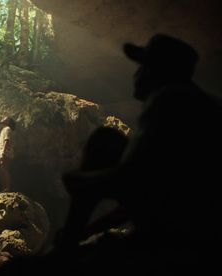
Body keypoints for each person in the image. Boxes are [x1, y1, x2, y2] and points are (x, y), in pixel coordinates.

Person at [60, 34, 222, 252]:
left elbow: (132, 178)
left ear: (156, 70)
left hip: (191, 229)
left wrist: (79, 180)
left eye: (142, 66)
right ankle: (69, 242)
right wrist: (90, 230)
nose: (136, 73)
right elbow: (157, 184)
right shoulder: (197, 99)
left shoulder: (168, 98)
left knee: (104, 141)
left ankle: (63, 248)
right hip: (198, 216)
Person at [0, 117, 16, 192]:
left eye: (5, 118)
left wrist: (3, 153)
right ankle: (4, 188)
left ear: (8, 122)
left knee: (4, 170)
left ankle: (7, 188)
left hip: (5, 153)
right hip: (3, 153)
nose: (2, 118)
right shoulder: (4, 129)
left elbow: (7, 141)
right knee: (1, 170)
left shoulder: (7, 129)